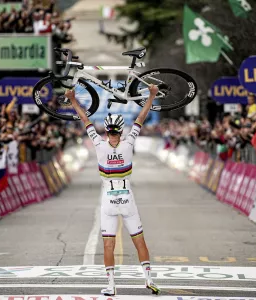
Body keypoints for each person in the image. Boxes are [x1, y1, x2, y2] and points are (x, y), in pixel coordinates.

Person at [64, 84, 161, 296]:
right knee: (139, 241)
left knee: (108, 245)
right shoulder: (128, 143)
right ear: (121, 130)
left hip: (108, 201)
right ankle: (149, 279)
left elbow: (85, 120)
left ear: (107, 131)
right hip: (128, 200)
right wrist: (152, 95)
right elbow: (141, 118)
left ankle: (111, 285)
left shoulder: (99, 144)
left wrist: (72, 99)